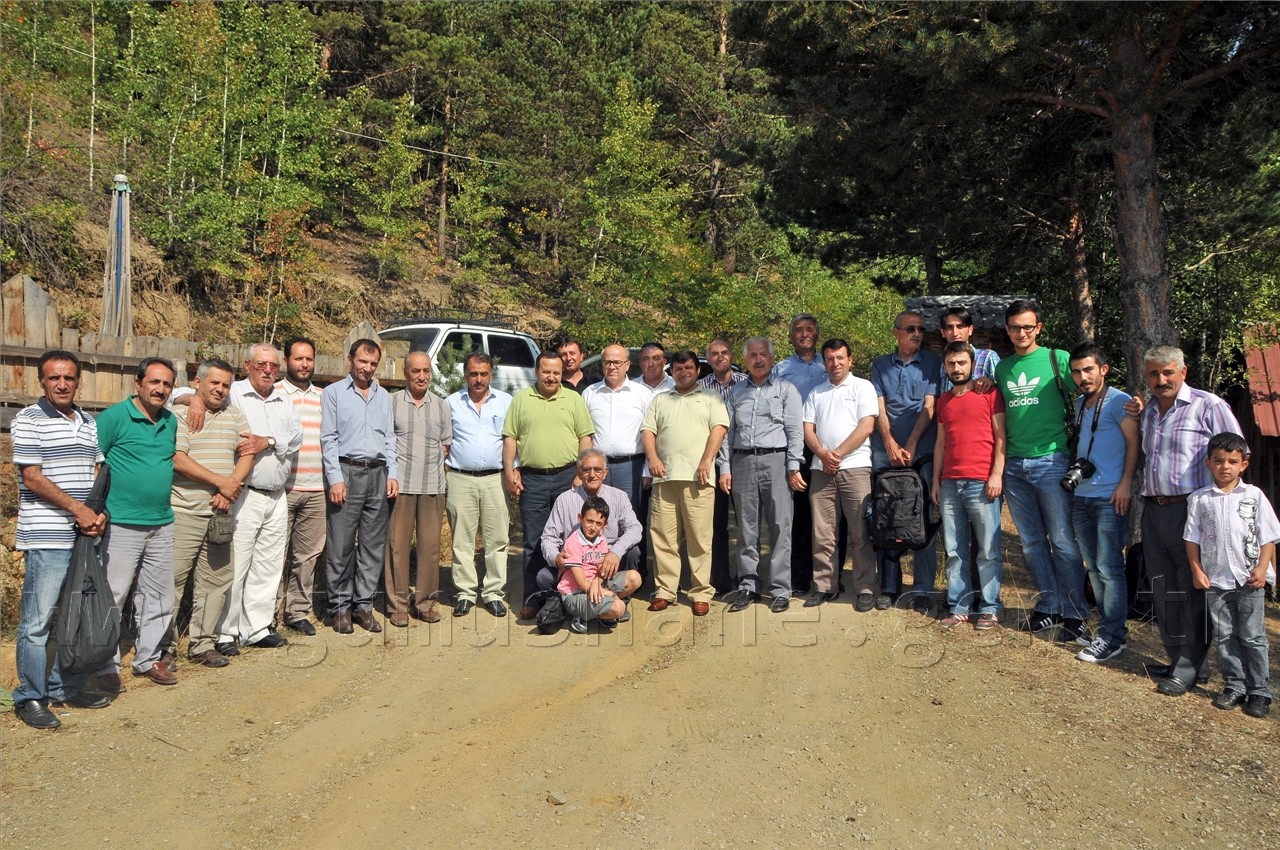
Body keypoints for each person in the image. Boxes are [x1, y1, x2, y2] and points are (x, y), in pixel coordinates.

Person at [12, 350, 111, 729]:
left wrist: (98, 513)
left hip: (85, 536)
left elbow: (99, 468)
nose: (62, 384)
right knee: (37, 621)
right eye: (54, 378)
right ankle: (30, 697)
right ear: (42, 381)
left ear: (77, 380)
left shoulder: (87, 421)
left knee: (75, 616)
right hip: (48, 535)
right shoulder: (29, 420)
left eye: (69, 377)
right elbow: (32, 477)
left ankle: (62, 687)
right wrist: (79, 510)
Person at [1139, 345, 1244, 697]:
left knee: (1192, 589)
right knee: (1163, 588)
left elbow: (1238, 453)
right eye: (1154, 373)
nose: (1161, 380)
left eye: (1168, 372)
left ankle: (1189, 665)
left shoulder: (1208, 405)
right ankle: (1182, 661)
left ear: (1183, 372)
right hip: (1154, 508)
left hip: (1193, 510)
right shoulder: (1149, 410)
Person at [994, 299, 1085, 633]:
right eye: (1015, 327)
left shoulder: (1057, 359)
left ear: (1039, 328)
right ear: (1007, 329)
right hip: (1015, 466)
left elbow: (1091, 388)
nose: (1021, 333)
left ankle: (1075, 612)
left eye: (1027, 327)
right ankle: (1049, 606)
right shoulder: (1002, 369)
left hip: (1051, 458)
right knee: (1032, 542)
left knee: (1062, 540)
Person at [209, 343, 302, 654]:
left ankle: (257, 628)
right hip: (244, 493)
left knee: (268, 564)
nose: (268, 370)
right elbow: (188, 391)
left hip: (277, 494)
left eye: (274, 366)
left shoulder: (283, 400)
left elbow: (296, 435)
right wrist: (191, 402)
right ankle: (225, 632)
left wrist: (269, 440)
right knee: (237, 563)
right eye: (261, 364)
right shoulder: (233, 392)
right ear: (246, 365)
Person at [162, 359, 253, 671]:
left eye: (226, 385)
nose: (220, 389)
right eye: (214, 383)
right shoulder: (181, 414)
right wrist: (221, 482)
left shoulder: (235, 416)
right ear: (197, 383)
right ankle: (164, 647)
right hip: (184, 510)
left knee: (216, 580)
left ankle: (203, 643)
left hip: (220, 513)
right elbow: (178, 459)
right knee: (172, 580)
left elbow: (248, 452)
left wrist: (231, 486)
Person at [96, 357, 179, 687]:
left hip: (161, 521)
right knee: (114, 595)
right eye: (154, 382)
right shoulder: (114, 418)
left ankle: (148, 658)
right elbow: (94, 463)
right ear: (138, 383)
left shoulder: (170, 421)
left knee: (158, 596)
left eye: (167, 385)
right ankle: (104, 664)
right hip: (121, 523)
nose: (160, 389)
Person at [1185, 432, 1278, 719]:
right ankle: (1234, 686)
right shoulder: (1200, 499)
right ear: (1208, 463)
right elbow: (1192, 538)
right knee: (1225, 636)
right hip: (1216, 580)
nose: (1225, 466)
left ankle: (1259, 691)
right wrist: (1197, 570)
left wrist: (1262, 568)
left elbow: (1268, 536)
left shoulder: (1254, 496)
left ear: (1243, 465)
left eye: (1232, 462)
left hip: (1248, 579)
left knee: (1252, 636)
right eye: (1219, 461)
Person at [503, 351, 595, 618]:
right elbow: (510, 439)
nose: (551, 376)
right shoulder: (522, 399)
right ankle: (533, 598)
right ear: (537, 372)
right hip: (532, 479)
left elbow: (585, 438)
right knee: (533, 541)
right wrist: (510, 472)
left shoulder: (573, 399)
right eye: (546, 371)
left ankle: (568, 596)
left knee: (570, 539)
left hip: (568, 478)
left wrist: (580, 473)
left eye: (556, 372)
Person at [718, 337, 804, 613]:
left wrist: (793, 466)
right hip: (743, 462)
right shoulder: (736, 393)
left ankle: (780, 589)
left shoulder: (786, 389)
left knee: (780, 526)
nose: (758, 359)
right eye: (753, 355)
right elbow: (727, 435)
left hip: (776, 461)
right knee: (746, 528)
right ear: (745, 360)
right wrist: (726, 467)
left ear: (771, 358)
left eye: (763, 354)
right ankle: (748, 586)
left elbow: (795, 431)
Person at [641, 350, 729, 615]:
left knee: (699, 538)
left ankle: (700, 591)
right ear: (672, 372)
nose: (683, 373)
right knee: (663, 537)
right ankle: (665, 590)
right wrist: (652, 458)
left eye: (688, 368)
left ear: (697, 370)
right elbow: (648, 430)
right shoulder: (660, 400)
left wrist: (707, 460)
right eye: (678, 369)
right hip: (664, 477)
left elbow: (720, 428)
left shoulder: (710, 397)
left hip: (698, 478)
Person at [1066, 342, 1139, 659]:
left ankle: (1113, 637)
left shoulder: (1119, 401)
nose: (1083, 376)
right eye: (1077, 372)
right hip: (1082, 496)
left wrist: (1125, 484)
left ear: (1103, 369)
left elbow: (1134, 445)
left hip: (1110, 496)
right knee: (1094, 569)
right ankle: (1106, 629)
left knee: (1110, 568)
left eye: (1088, 369)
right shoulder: (1081, 402)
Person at [321, 339, 399, 635]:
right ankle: (339, 608)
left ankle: (363, 605)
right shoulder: (334, 394)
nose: (367, 369)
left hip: (378, 474)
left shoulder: (383, 397)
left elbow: (389, 438)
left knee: (372, 545)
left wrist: (393, 474)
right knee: (341, 545)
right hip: (347, 471)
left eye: (373, 364)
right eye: (362, 362)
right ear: (350, 360)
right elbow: (328, 438)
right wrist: (335, 478)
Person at [870, 310, 942, 611]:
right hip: (885, 453)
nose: (917, 333)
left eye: (921, 330)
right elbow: (879, 407)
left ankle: (923, 588)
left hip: (922, 452)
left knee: (923, 518)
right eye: (911, 328)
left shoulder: (933, 363)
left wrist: (910, 444)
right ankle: (889, 586)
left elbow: (929, 407)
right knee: (886, 516)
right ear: (896, 332)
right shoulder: (880, 365)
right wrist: (890, 442)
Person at [931, 342, 1006, 631]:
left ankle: (988, 608)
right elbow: (940, 443)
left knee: (988, 549)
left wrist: (996, 474)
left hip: (981, 482)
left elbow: (1001, 438)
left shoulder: (989, 394)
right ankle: (958, 605)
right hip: (950, 482)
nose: (957, 368)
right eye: (951, 363)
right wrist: (937, 481)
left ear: (972, 364)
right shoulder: (944, 401)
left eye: (962, 362)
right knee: (954, 550)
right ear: (945, 366)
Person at [802, 339, 879, 610]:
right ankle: (825, 586)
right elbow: (808, 429)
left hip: (855, 468)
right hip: (821, 470)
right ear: (824, 362)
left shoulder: (863, 387)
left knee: (861, 532)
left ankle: (865, 587)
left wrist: (837, 454)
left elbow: (867, 425)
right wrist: (823, 455)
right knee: (823, 534)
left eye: (840, 358)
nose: (835, 363)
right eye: (830, 359)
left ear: (850, 359)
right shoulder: (816, 393)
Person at [384, 352, 453, 626]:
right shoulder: (391, 403)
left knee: (430, 548)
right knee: (397, 548)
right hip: (400, 486)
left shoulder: (441, 406)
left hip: (432, 486)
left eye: (426, 371)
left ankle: (425, 603)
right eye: (416, 371)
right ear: (406, 373)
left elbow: (445, 445)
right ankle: (398, 605)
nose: (421, 376)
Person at [540, 449, 645, 627]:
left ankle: (607, 606)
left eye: (597, 469)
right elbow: (548, 538)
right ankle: (587, 607)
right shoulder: (564, 500)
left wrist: (615, 552)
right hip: (575, 568)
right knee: (543, 576)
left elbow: (635, 528)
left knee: (633, 553)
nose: (592, 474)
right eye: (587, 469)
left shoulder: (618, 497)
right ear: (578, 472)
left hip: (606, 565)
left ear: (605, 472)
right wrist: (555, 557)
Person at [445, 352, 513, 618]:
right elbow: (444, 441)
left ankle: (494, 592)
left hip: (496, 479)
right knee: (462, 540)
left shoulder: (506, 402)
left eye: (484, 374)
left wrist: (513, 472)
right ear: (465, 375)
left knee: (497, 538)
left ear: (491, 375)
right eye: (473, 374)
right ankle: (465, 592)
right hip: (460, 478)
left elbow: (512, 440)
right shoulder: (451, 403)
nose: (478, 379)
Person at [773, 313, 828, 594]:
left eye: (809, 328)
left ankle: (829, 575)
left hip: (826, 445)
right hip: (795, 447)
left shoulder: (829, 362)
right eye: (798, 330)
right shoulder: (780, 368)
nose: (804, 333)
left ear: (817, 333)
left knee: (827, 514)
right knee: (798, 513)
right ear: (791, 336)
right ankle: (798, 575)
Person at [276, 337, 326, 636]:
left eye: (309, 359)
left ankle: (297, 611)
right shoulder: (276, 393)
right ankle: (267, 615)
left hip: (317, 487)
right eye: (298, 358)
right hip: (283, 488)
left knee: (307, 557)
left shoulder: (324, 397)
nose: (304, 364)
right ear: (287, 361)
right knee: (274, 555)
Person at [582, 343, 653, 525]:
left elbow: (651, 432)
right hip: (598, 468)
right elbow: (584, 433)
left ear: (627, 365)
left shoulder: (642, 394)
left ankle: (633, 555)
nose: (611, 366)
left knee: (630, 521)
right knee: (597, 519)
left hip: (631, 468)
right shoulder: (590, 393)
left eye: (617, 362)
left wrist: (647, 468)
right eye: (607, 362)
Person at [700, 337, 747, 595]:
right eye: (714, 354)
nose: (720, 357)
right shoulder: (701, 388)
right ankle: (720, 580)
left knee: (746, 524)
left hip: (740, 461)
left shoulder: (746, 383)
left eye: (725, 352)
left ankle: (746, 578)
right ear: (708, 359)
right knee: (716, 525)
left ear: (732, 355)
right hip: (711, 462)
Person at [556, 496, 642, 631]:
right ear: (580, 518)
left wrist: (598, 581)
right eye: (589, 521)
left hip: (595, 584)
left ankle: (600, 611)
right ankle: (580, 614)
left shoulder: (601, 539)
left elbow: (603, 569)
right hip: (575, 593)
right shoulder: (573, 543)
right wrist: (610, 594)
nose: (593, 527)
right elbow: (582, 583)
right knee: (619, 608)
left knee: (635, 578)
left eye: (598, 523)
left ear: (604, 524)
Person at [937, 306, 1000, 392]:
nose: (955, 333)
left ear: (970, 330)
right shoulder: (943, 363)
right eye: (949, 328)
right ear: (943, 332)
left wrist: (991, 382)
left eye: (960, 327)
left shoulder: (987, 357)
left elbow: (1002, 388)